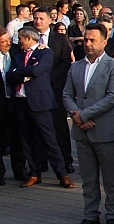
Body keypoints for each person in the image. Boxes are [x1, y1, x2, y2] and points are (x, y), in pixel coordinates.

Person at [63, 24, 114, 224]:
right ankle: (90, 215)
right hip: (82, 132)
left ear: (104, 42)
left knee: (110, 177)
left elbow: (113, 97)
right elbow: (66, 95)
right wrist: (77, 116)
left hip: (105, 130)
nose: (88, 44)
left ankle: (112, 214)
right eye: (86, 40)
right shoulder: (76, 67)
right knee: (88, 178)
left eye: (93, 40)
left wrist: (84, 115)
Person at [8, 27, 73, 188]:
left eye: (20, 38)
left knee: (49, 139)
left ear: (28, 38)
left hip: (40, 103)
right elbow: (10, 75)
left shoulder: (45, 53)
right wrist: (24, 73)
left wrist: (21, 72)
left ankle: (62, 174)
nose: (19, 41)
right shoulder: (18, 56)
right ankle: (34, 172)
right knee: (28, 142)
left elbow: (37, 70)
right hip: (21, 103)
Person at [32, 7, 74, 174]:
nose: (38, 21)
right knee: (38, 127)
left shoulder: (59, 38)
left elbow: (65, 61)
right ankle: (41, 162)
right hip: (35, 90)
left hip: (55, 87)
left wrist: (50, 79)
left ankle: (66, 161)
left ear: (50, 20)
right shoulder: (29, 36)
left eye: (41, 18)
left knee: (60, 126)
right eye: (35, 18)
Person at [0, 27, 27, 183]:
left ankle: (20, 170)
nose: (7, 43)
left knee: (18, 138)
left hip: (16, 101)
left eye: (8, 39)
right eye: (3, 42)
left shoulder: (17, 51)